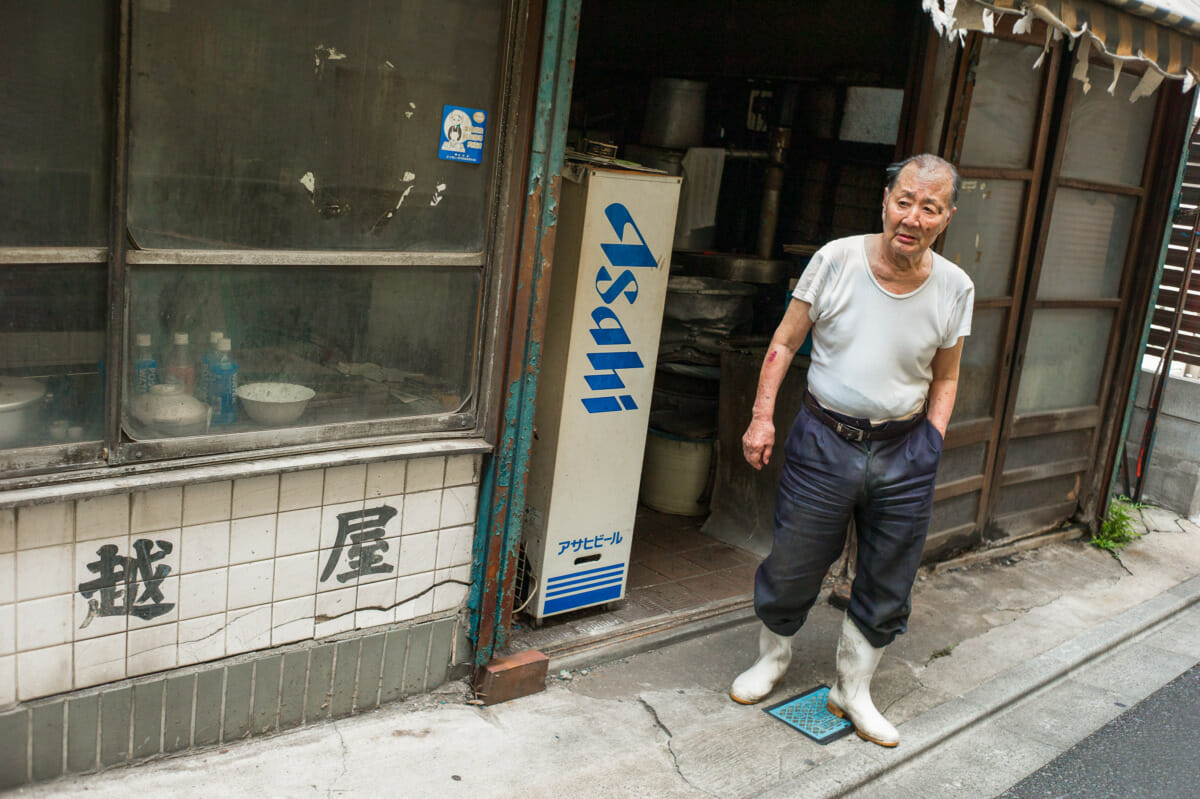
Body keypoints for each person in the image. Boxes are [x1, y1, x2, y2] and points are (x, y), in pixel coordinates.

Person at [729, 154, 974, 748]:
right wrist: (762, 418)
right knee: (793, 561)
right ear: (885, 201)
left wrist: (933, 440)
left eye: (930, 207)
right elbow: (785, 343)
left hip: (904, 449)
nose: (913, 217)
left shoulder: (954, 286)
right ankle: (773, 658)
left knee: (890, 574)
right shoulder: (835, 259)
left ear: (947, 217)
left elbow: (945, 376)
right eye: (904, 201)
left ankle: (852, 690)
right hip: (823, 441)